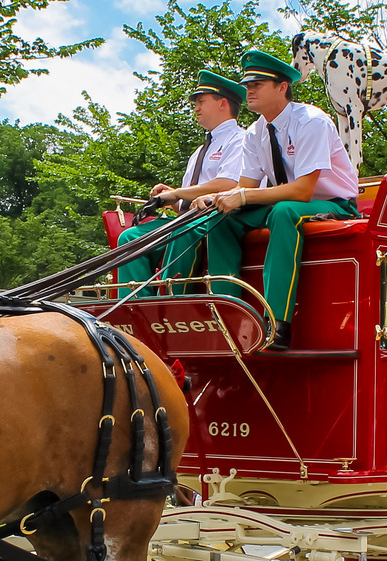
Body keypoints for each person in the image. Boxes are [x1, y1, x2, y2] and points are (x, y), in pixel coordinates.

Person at [182, 48, 360, 351]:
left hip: (333, 205)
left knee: (284, 212)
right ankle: (229, 316)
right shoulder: (254, 133)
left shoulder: (312, 121)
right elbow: (246, 188)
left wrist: (240, 195)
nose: (249, 92)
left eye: (257, 86)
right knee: (220, 216)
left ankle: (277, 323)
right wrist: (215, 198)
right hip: (284, 201)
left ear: (282, 87)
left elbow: (303, 191)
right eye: (248, 86)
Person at [115, 70, 249, 292]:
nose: (195, 108)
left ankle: (169, 304)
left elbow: (228, 184)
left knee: (183, 230)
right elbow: (187, 203)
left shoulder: (240, 139)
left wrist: (177, 193)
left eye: (201, 101)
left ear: (222, 103)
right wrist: (171, 199)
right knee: (130, 238)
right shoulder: (199, 151)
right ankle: (136, 311)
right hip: (189, 219)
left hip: (217, 220)